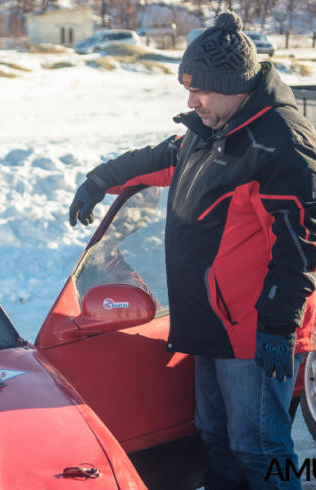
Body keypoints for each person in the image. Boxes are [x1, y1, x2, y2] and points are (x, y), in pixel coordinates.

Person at [69, 11, 315, 490]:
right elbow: (161, 158)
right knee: (218, 441)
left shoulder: (281, 143)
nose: (190, 100)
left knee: (260, 448)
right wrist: (102, 179)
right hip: (209, 328)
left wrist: (277, 329)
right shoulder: (212, 129)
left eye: (198, 89)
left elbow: (303, 244)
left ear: (231, 84)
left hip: (254, 337)